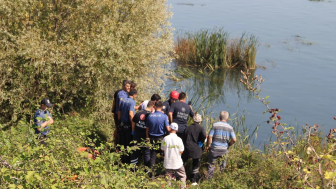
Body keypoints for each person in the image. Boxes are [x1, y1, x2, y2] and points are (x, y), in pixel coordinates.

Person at [206, 111, 236, 179]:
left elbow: (210, 136)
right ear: (227, 118)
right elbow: (234, 139)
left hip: (214, 149)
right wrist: (228, 145)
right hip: (224, 150)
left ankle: (209, 182)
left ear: (219, 117)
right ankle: (220, 180)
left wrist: (208, 146)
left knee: (211, 166)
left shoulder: (215, 125)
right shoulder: (230, 127)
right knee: (222, 167)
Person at [183, 114, 206, 185]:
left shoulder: (188, 128)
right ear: (200, 121)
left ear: (193, 120)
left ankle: (177, 175)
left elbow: (184, 137)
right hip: (196, 149)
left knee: (182, 162)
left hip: (187, 148)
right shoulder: (201, 128)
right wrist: (201, 141)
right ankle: (193, 180)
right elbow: (204, 136)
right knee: (196, 164)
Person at [146, 101, 170, 169]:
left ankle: (152, 173)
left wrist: (147, 138)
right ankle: (164, 170)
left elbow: (147, 129)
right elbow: (168, 129)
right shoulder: (164, 116)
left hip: (152, 138)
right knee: (164, 153)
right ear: (162, 107)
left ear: (154, 107)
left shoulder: (150, 116)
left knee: (153, 156)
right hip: (161, 138)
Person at [161, 123, 186, 189]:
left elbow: (162, 149)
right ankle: (182, 187)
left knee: (168, 177)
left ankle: (168, 187)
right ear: (177, 130)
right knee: (182, 175)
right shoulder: (179, 139)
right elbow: (181, 150)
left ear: (169, 128)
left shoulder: (165, 139)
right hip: (177, 161)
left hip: (168, 161)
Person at [130, 101, 155, 166]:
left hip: (136, 136)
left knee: (135, 151)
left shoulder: (138, 113)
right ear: (152, 108)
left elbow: (133, 122)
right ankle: (146, 169)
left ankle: (132, 168)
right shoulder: (151, 116)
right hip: (145, 137)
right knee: (146, 153)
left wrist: (133, 131)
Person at [118, 89, 137, 163]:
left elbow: (119, 112)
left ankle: (121, 158)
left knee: (122, 142)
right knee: (128, 143)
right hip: (128, 125)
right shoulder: (132, 102)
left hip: (122, 124)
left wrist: (119, 122)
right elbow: (130, 114)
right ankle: (127, 160)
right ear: (134, 95)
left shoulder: (122, 100)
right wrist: (133, 126)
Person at [112, 80, 131, 146]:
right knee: (119, 130)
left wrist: (113, 109)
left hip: (118, 114)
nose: (129, 88)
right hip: (120, 115)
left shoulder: (123, 93)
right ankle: (117, 145)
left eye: (129, 86)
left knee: (118, 129)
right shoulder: (121, 94)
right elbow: (121, 106)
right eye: (127, 86)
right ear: (123, 86)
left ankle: (116, 145)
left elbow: (114, 102)